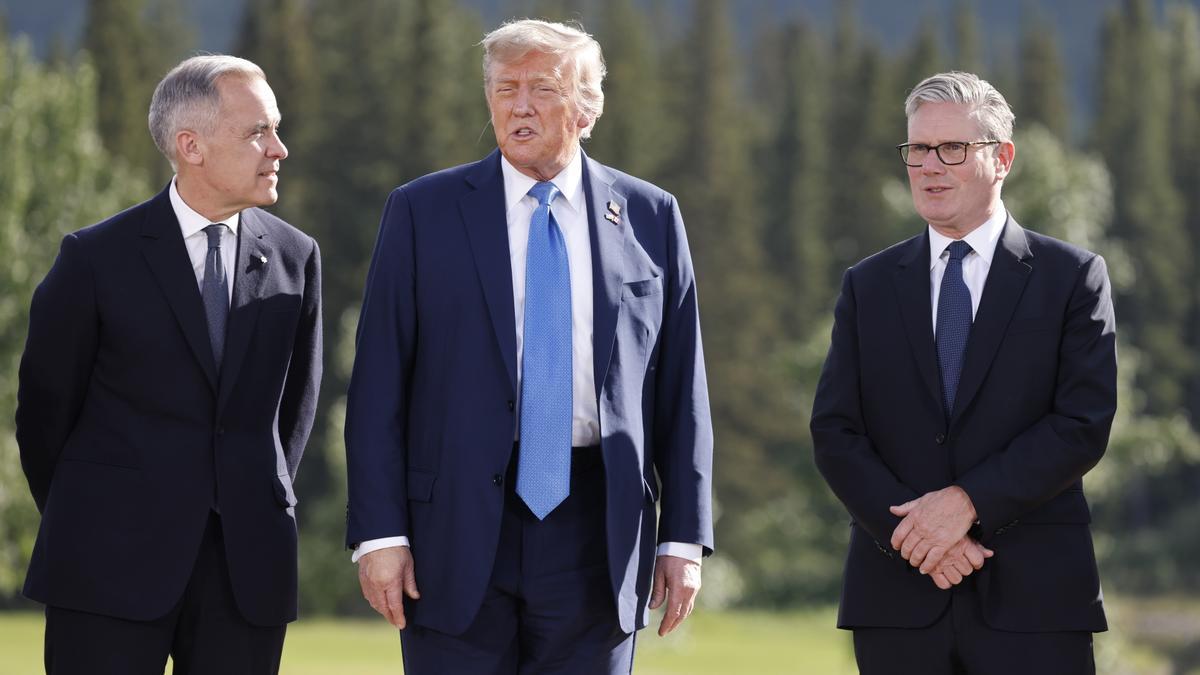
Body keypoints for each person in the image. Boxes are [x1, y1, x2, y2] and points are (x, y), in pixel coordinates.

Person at [345, 18, 714, 673]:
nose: (518, 105)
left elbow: (681, 391)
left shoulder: (651, 216)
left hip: (598, 528)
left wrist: (684, 534)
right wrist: (379, 531)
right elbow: (377, 387)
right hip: (451, 532)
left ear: (588, 106)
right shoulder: (421, 212)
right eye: (503, 88)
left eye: (541, 88)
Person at [16, 55, 322, 675]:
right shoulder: (93, 260)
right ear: (192, 146)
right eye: (258, 131)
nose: (279, 149)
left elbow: (295, 413)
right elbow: (44, 417)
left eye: (276, 128)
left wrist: (245, 499)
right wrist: (100, 509)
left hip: (246, 574)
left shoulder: (297, 256)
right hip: (105, 566)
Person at [810, 71, 1116, 674]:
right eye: (918, 149)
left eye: (952, 148)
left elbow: (1082, 424)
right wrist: (919, 540)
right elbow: (835, 432)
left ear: (1002, 158)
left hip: (1036, 602)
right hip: (898, 605)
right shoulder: (868, 286)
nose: (929, 166)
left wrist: (968, 503)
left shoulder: (1072, 278)